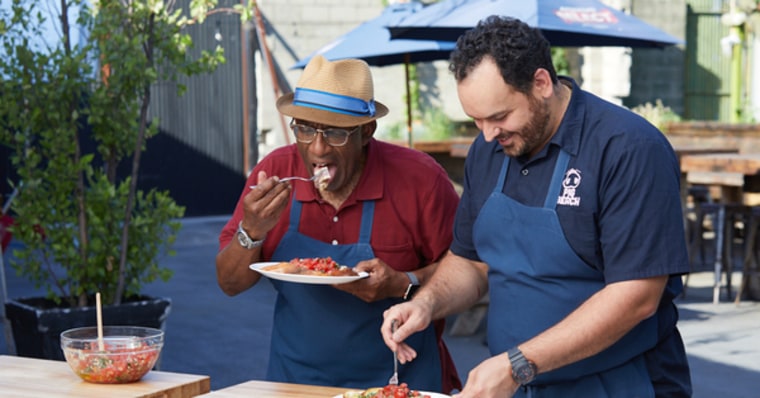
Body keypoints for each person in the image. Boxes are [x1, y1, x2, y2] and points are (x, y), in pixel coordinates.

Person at [381, 16, 692, 398]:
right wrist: (427, 303)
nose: (488, 134)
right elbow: (471, 262)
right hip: (521, 385)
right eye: (475, 120)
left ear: (541, 83)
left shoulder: (627, 148)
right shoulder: (488, 149)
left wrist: (517, 364)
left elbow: (636, 297)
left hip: (620, 384)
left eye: (499, 116)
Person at [215, 55, 462, 393]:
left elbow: (469, 268)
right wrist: (252, 231)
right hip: (296, 385)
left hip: (398, 383)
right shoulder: (274, 172)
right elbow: (229, 283)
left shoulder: (420, 180)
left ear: (366, 132)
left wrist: (403, 282)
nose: (317, 148)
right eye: (304, 128)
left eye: (335, 133)